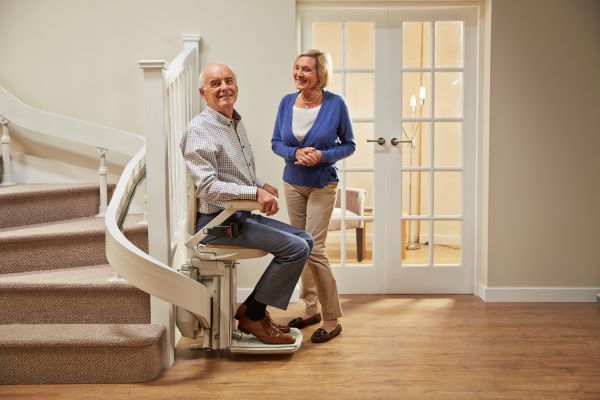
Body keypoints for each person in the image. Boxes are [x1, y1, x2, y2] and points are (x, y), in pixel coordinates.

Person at [180, 62, 313, 345]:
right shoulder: (201, 129)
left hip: (240, 216)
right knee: (295, 248)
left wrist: (260, 184)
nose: (224, 87)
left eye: (228, 81)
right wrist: (255, 195)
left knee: (306, 239)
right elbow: (208, 187)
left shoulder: (233, 122)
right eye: (215, 84)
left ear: (236, 87)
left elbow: (235, 173)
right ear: (203, 93)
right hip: (219, 223)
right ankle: (254, 315)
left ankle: (252, 310)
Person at [271, 50, 355, 343]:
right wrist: (294, 152)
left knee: (315, 248)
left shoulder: (336, 104)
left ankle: (332, 318)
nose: (299, 74)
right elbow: (276, 142)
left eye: (306, 69)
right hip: (293, 183)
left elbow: (349, 145)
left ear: (320, 74)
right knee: (300, 245)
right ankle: (310, 310)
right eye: (296, 68)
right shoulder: (286, 102)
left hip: (322, 183)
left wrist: (322, 155)